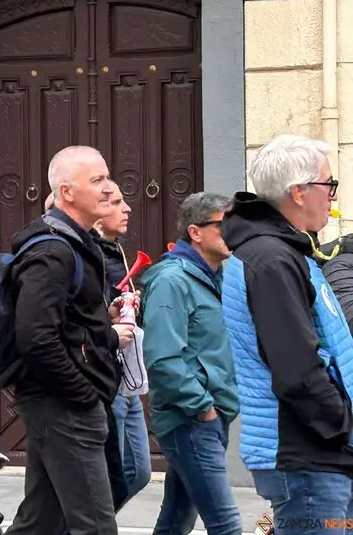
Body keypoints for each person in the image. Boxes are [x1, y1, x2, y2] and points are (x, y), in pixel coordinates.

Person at [221, 134, 353, 534]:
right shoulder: (272, 259)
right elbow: (297, 368)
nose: (331, 197)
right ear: (298, 192)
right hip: (308, 456)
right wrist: (342, 425)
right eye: (328, 185)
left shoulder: (284, 251)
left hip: (317, 453)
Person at [5, 145, 131, 535]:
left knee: (38, 521)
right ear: (67, 192)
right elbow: (36, 337)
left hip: (61, 404)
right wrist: (82, 395)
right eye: (97, 180)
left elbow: (64, 324)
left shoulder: (73, 243)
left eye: (107, 176)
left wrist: (100, 324)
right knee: (94, 525)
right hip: (64, 405)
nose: (109, 188)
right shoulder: (52, 249)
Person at [142, 192, 241, 535]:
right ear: (196, 232)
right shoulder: (172, 280)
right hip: (191, 420)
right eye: (223, 223)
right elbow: (163, 357)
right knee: (226, 524)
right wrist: (203, 409)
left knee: (176, 520)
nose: (233, 230)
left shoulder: (216, 277)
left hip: (211, 416)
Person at [93, 183, 151, 509]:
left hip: (127, 373)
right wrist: (109, 317)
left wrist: (128, 304)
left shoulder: (117, 250)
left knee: (140, 471)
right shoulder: (90, 254)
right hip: (108, 376)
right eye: (117, 203)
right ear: (98, 213)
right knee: (111, 475)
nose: (127, 208)